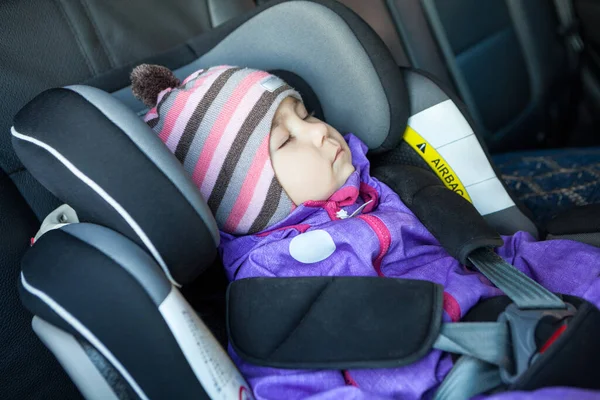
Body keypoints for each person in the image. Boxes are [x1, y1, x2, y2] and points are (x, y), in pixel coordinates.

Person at [132, 64, 600, 399]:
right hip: (452, 382)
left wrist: (565, 270)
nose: (319, 133)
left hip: (526, 316)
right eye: (286, 138)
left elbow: (498, 257)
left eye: (306, 115)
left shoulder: (383, 192)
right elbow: (294, 388)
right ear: (241, 195)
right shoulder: (269, 289)